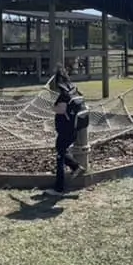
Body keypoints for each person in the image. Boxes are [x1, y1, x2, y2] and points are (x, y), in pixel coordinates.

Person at [44, 66, 87, 197]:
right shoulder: (74, 89)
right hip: (73, 129)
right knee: (61, 151)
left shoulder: (64, 94)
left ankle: (59, 189)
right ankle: (75, 167)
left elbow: (61, 109)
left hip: (66, 130)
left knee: (60, 157)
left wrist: (53, 107)